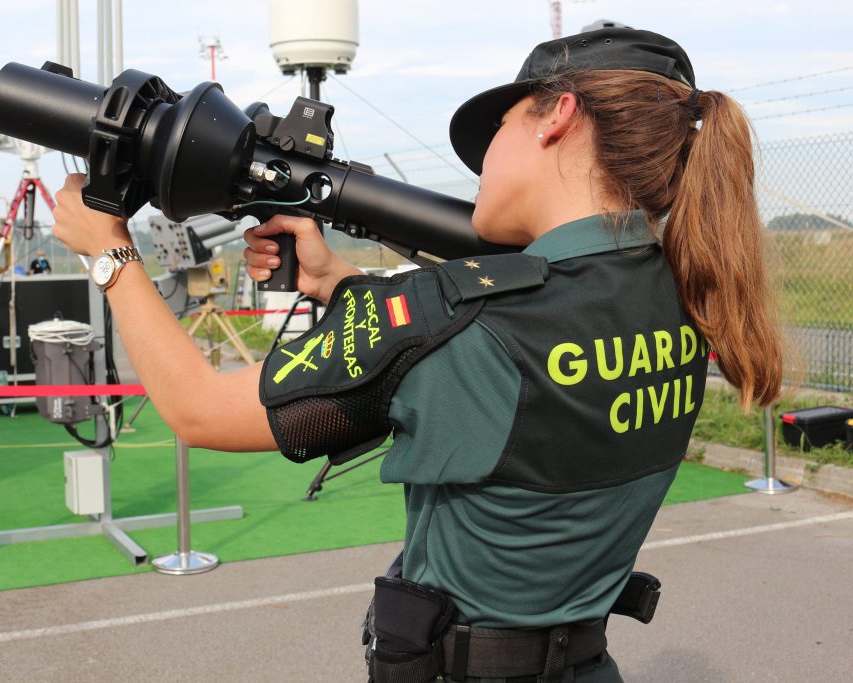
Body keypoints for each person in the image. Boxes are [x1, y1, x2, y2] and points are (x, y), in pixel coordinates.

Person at [52, 26, 783, 683]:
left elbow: (199, 410)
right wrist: (341, 282)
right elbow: (497, 344)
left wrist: (109, 251)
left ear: (557, 117)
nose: (482, 163)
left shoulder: (454, 316)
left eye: (497, 131)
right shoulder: (689, 297)